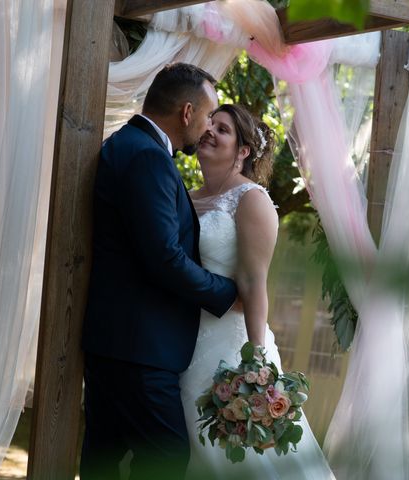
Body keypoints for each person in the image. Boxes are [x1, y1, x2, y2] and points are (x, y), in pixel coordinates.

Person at [80, 63, 238, 480]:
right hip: (140, 350)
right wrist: (227, 291)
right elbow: (164, 257)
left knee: (104, 462)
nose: (207, 128)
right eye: (207, 117)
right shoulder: (148, 158)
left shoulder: (126, 144)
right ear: (187, 112)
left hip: (118, 344)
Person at [179, 104, 336, 479]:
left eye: (224, 129)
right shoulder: (184, 195)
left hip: (230, 348)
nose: (210, 132)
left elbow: (253, 283)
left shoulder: (252, 200)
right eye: (209, 124)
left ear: (244, 150)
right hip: (181, 344)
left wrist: (257, 364)